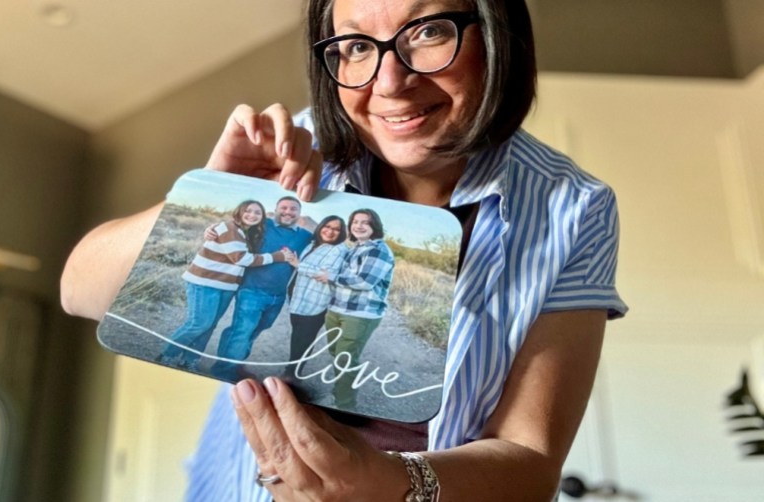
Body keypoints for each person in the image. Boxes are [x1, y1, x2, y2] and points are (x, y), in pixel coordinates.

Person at [60, 0, 629, 500]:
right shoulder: (297, 150)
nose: (389, 82)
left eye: (428, 31)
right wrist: (212, 197)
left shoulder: (573, 208)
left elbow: (529, 460)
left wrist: (386, 484)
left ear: (496, 34)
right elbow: (77, 290)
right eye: (356, 46)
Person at [161, 200, 290, 370]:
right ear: (239, 211)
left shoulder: (248, 232)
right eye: (248, 211)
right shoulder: (229, 228)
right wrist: (276, 257)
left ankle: (189, 360)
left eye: (257, 213)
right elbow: (242, 259)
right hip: (205, 282)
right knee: (199, 323)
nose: (252, 215)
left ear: (262, 217)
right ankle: (166, 355)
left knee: (210, 325)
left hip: (226, 286)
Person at [209, 196, 312, 380]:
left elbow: (328, 243)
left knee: (255, 330)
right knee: (242, 331)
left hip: (278, 295)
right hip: (251, 290)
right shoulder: (263, 224)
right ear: (276, 209)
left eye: (293, 209)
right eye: (284, 208)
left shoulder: (305, 236)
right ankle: (223, 373)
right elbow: (232, 226)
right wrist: (211, 229)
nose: (288, 212)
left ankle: (235, 364)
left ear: (299, 213)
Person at [323, 208, 394, 409]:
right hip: (337, 309)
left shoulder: (378, 250)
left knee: (345, 359)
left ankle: (345, 405)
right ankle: (340, 390)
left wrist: (331, 277)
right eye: (355, 222)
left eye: (365, 222)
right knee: (336, 352)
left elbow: (365, 281)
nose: (359, 226)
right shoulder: (355, 248)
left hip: (360, 314)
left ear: (374, 226)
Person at [283, 215, 348, 376]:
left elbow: (325, 275)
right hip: (298, 299)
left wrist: (298, 264)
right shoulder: (313, 244)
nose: (330, 231)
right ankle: (292, 369)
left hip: (315, 302)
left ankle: (292, 375)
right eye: (327, 226)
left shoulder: (338, 250)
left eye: (336, 229)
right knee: (297, 337)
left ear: (341, 233)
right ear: (321, 226)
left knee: (304, 340)